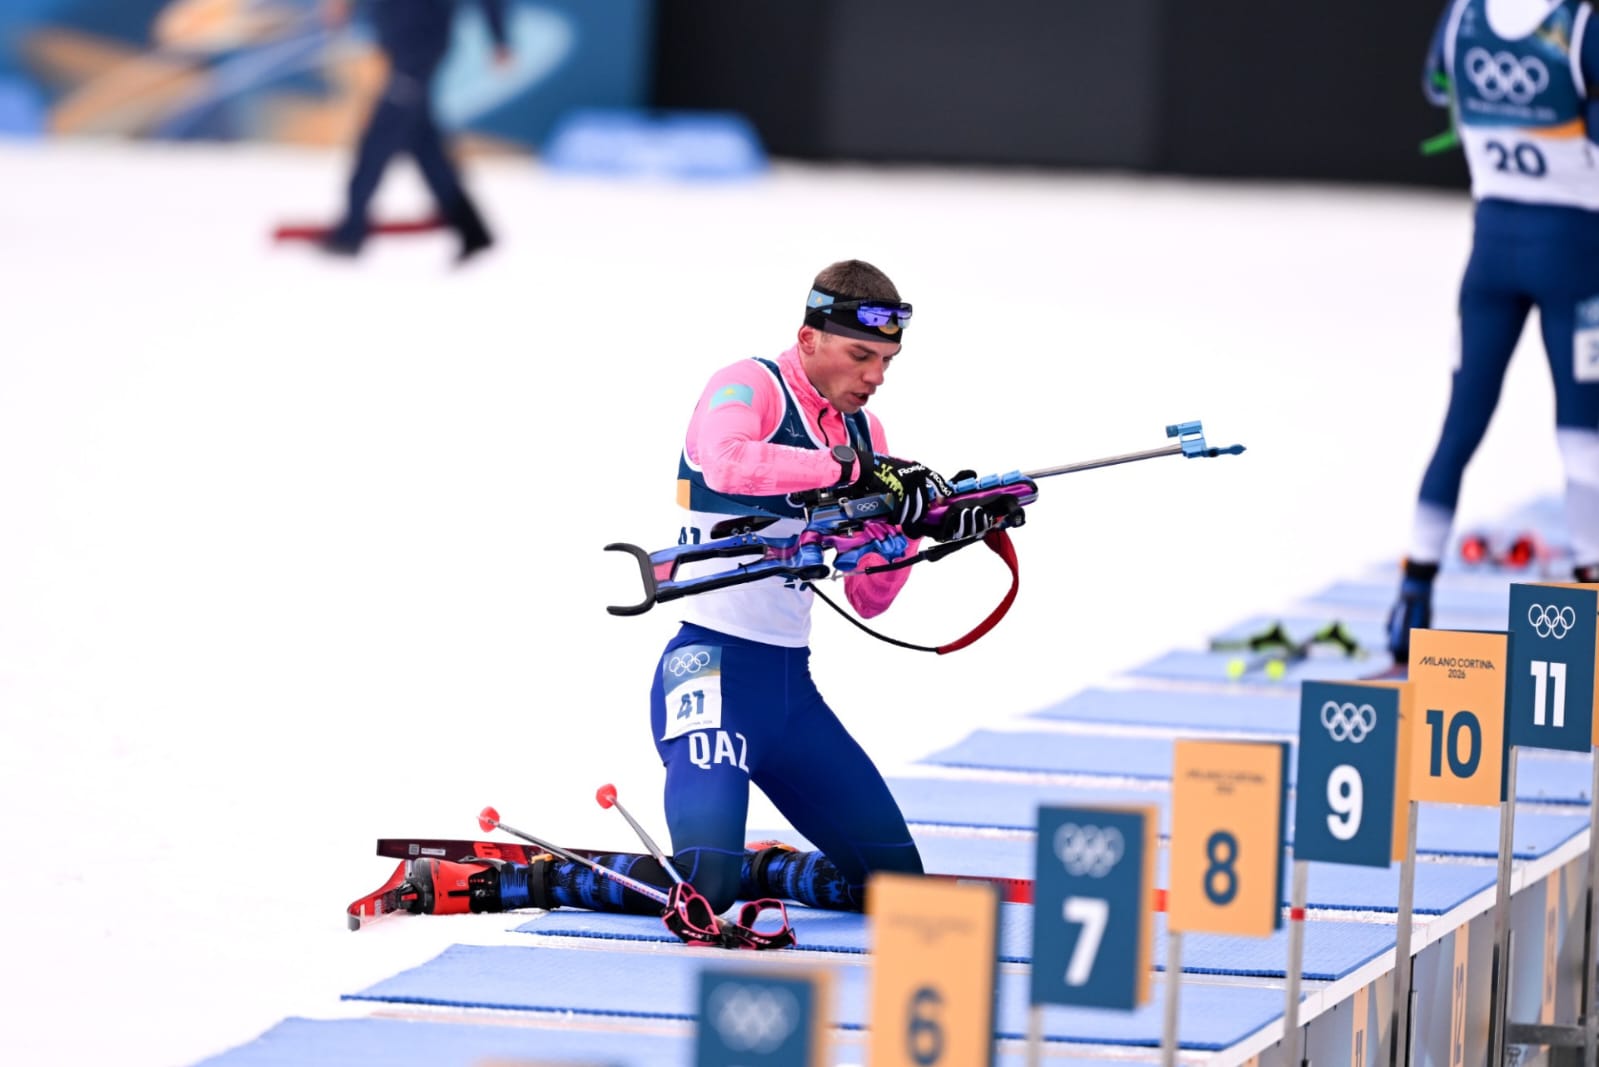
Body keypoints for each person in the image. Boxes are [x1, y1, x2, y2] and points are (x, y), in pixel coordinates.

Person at [401, 260, 1019, 921]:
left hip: (791, 694)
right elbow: (727, 462)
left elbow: (869, 597)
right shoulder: (749, 384)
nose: (876, 376)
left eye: (887, 360)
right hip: (709, 673)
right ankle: (519, 882)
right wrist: (852, 474)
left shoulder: (864, 434)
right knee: (706, 886)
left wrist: (919, 531)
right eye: (860, 355)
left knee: (894, 888)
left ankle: (767, 868)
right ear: (809, 338)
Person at [1387, 0, 1599, 660]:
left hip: (1491, 250)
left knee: (1458, 429)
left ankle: (1413, 589)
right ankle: (1591, 589)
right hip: (1574, 256)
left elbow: (1435, 87)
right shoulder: (1579, 25)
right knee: (1582, 439)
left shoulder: (1462, 17)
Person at [318, 0, 510, 260]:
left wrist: (499, 38)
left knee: (378, 141)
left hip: (417, 52)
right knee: (424, 144)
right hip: (401, 48)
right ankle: (471, 229)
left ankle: (351, 231)